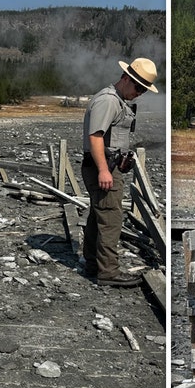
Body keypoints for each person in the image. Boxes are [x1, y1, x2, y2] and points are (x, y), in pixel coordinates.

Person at [80, 57, 158, 287]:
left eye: (144, 90)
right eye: (138, 87)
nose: (140, 93)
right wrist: (104, 170)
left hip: (106, 165)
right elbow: (95, 137)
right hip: (102, 167)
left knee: (99, 214)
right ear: (126, 78)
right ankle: (108, 272)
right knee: (111, 218)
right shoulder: (109, 101)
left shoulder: (117, 100)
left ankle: (93, 263)